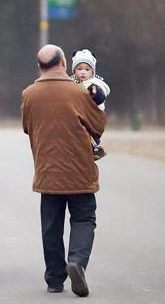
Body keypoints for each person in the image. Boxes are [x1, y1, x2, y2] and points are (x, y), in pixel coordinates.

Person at [21, 45, 106, 297]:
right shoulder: (79, 93)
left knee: (51, 225)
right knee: (83, 218)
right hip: (80, 172)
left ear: (40, 67)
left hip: (48, 172)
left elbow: (27, 127)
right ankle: (77, 262)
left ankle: (54, 280)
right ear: (64, 65)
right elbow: (98, 126)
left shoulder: (29, 94)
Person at [71, 48, 111, 160]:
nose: (83, 72)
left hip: (92, 113)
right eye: (79, 69)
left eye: (87, 69)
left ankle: (96, 147)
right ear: (74, 71)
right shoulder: (71, 83)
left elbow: (101, 97)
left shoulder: (94, 84)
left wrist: (95, 93)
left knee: (89, 130)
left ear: (92, 72)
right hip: (77, 112)